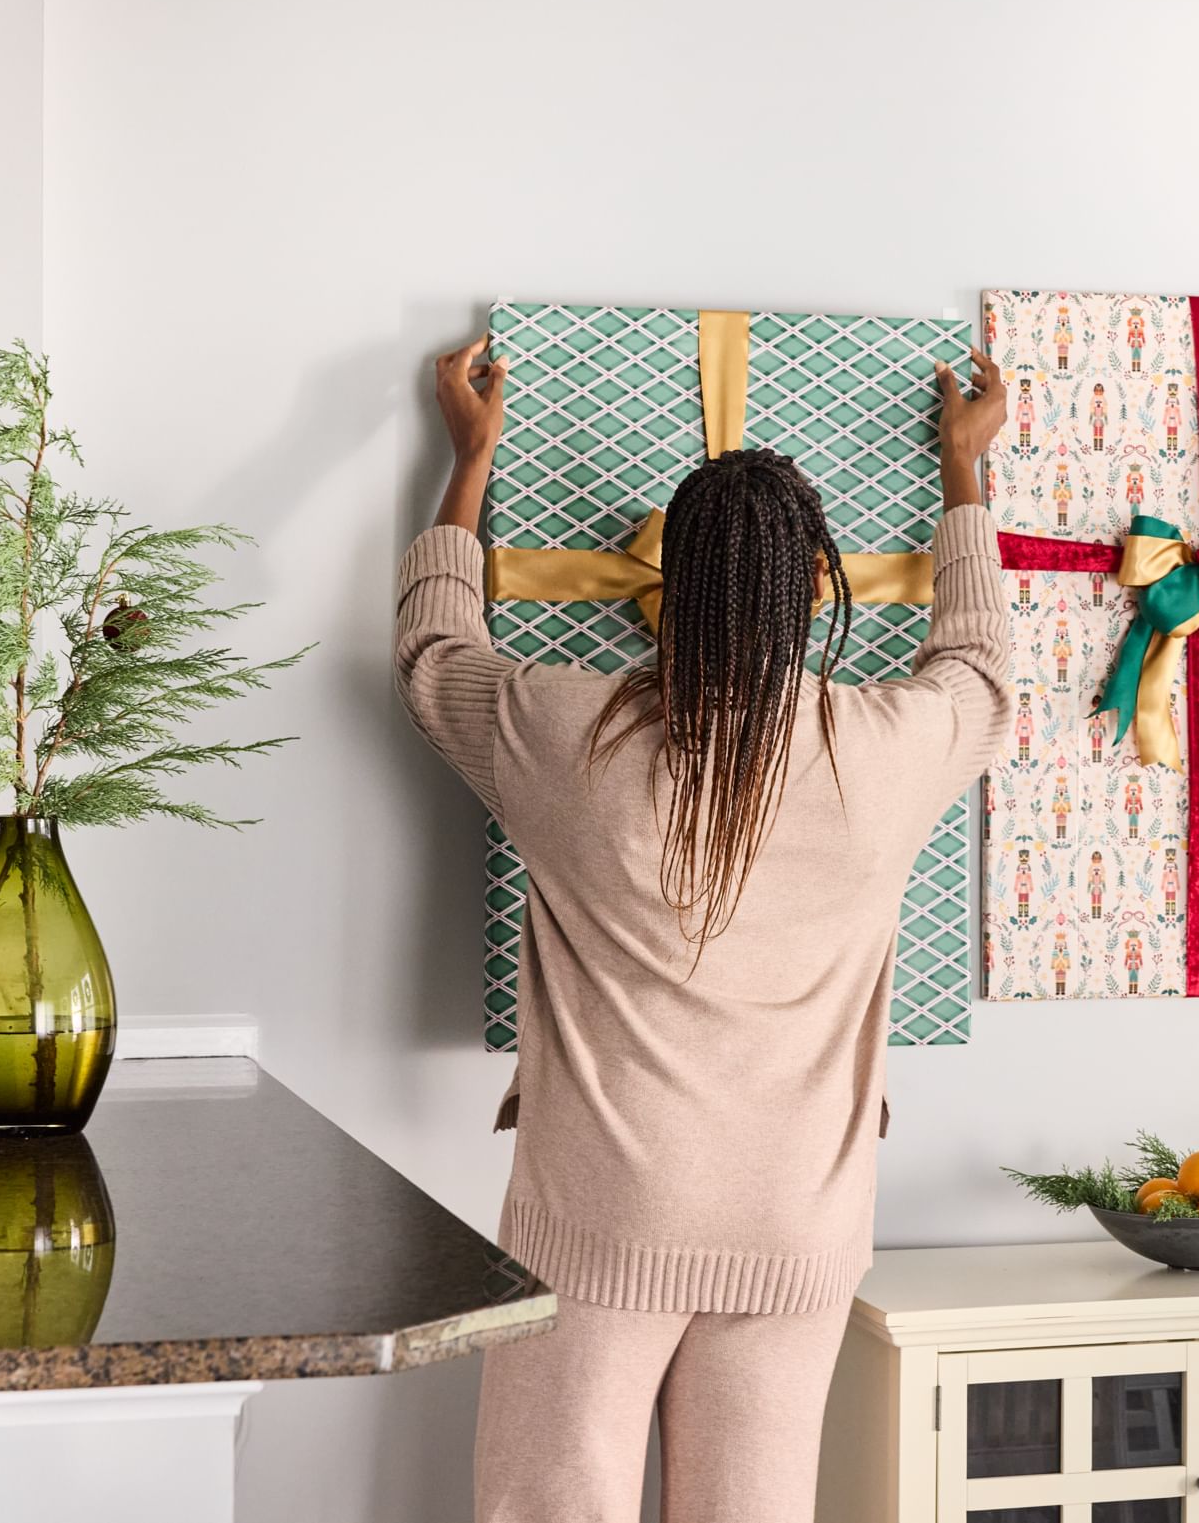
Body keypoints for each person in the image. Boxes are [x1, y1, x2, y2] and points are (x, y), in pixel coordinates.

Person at [396, 333, 1012, 1523]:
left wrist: (470, 461)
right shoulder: (883, 751)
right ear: (818, 590)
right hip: (800, 1218)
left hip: (599, 1217)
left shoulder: (572, 736)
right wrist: (963, 477)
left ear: (671, 583)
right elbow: (982, 668)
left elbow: (432, 656)